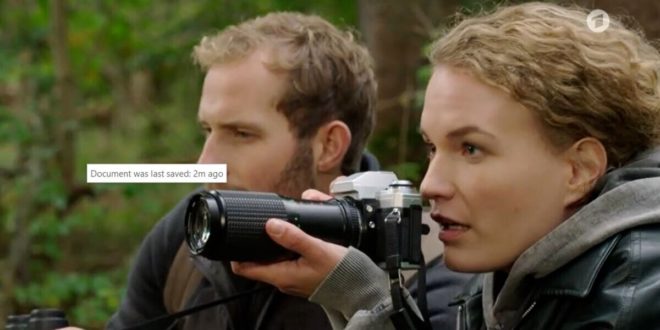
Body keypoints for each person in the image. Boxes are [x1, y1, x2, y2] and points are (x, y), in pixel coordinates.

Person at [232, 2, 660, 329]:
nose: (432, 184)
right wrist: (365, 299)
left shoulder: (640, 291)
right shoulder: (512, 275)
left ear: (578, 170)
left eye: (471, 149)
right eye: (432, 148)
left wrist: (370, 301)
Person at [105, 12, 468, 330]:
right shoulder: (189, 237)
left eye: (241, 134)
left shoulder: (430, 264)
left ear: (328, 146)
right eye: (207, 130)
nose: (205, 162)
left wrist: (357, 293)